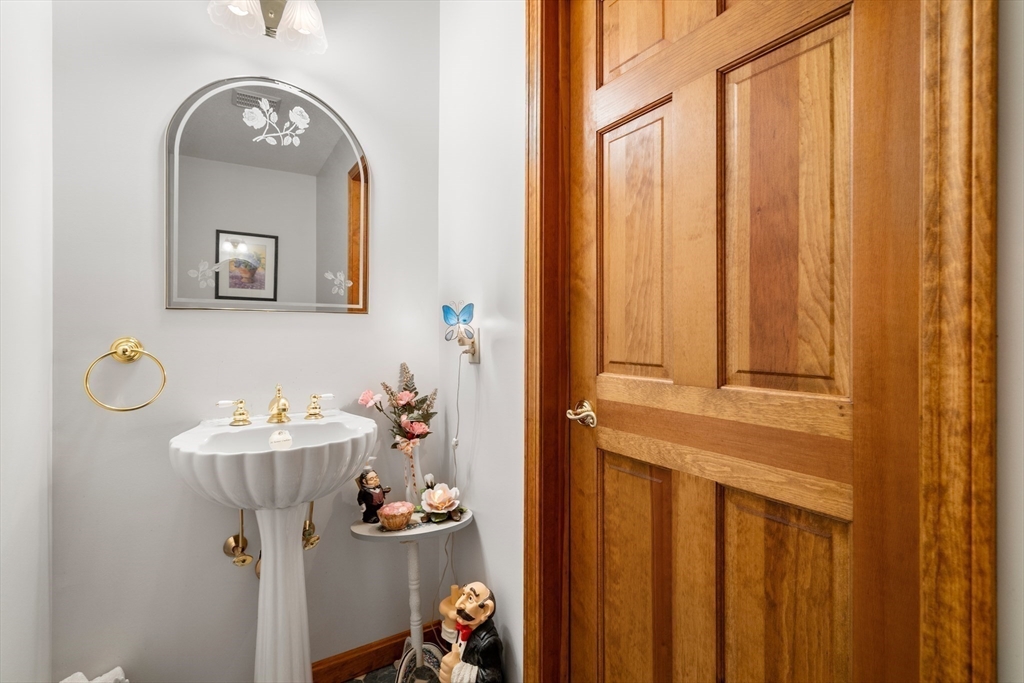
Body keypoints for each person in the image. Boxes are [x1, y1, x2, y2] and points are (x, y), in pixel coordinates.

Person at [438, 581, 503, 683]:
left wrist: (456, 671)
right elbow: (455, 649)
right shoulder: (467, 623)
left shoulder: (489, 643)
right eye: (463, 594)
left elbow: (492, 679)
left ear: (485, 610)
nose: (458, 604)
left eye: (470, 598)